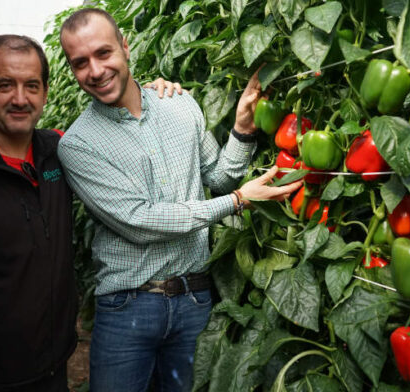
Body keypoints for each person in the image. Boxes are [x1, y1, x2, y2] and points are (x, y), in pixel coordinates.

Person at [0, 34, 180, 392]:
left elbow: (120, 131)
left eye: (31, 86)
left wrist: (149, 94)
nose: (20, 99)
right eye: (5, 85)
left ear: (46, 92)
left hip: (54, 363)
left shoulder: (61, 150)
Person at [57, 8, 302, 392]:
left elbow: (218, 179)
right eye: (80, 62)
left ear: (125, 47)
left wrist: (240, 130)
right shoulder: (78, 144)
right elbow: (140, 221)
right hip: (127, 309)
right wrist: (238, 201)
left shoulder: (180, 104)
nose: (95, 70)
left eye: (103, 53)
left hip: (194, 301)